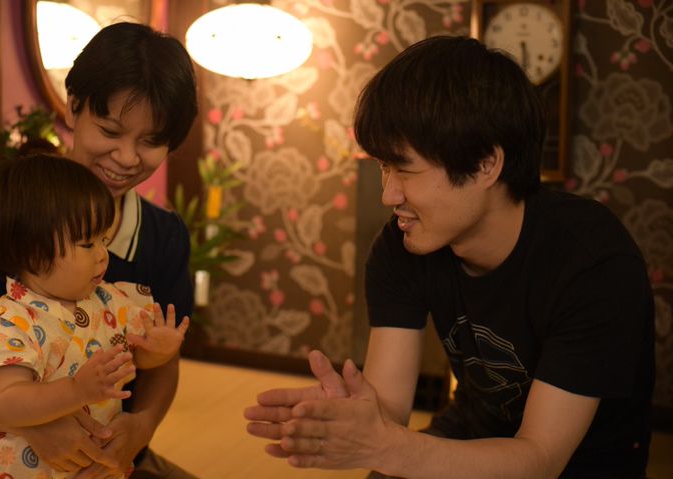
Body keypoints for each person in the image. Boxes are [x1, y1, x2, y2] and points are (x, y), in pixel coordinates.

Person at [245, 35, 655, 478]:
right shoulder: (401, 246)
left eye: (405, 168)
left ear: (485, 165)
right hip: (471, 431)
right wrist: (351, 416)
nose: (388, 195)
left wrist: (387, 446)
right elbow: (389, 417)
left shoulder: (592, 264)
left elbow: (539, 460)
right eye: (383, 167)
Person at [0, 21, 199, 478]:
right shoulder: (8, 216)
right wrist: (31, 421)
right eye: (110, 130)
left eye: (150, 142)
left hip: (106, 457)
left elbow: (163, 364)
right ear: (73, 106)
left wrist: (140, 428)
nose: (126, 157)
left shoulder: (163, 238)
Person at [0, 154, 190, 478]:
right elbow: (4, 401)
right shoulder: (8, 323)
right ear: (34, 254)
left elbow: (131, 360)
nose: (103, 254)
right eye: (87, 244)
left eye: (103, 239)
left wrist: (156, 352)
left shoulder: (109, 301)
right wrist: (76, 390)